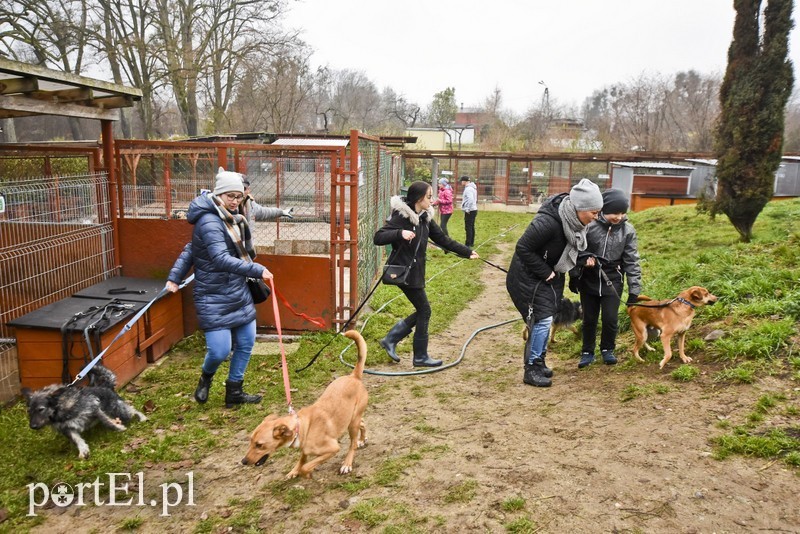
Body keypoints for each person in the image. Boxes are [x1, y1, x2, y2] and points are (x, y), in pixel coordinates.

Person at [166, 169, 272, 407]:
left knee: (246, 343)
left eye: (238, 196)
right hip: (213, 295)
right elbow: (220, 258)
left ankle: (234, 391)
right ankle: (206, 377)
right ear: (219, 194)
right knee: (219, 351)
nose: (235, 201)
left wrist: (174, 276)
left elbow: (191, 249)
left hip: (238, 291)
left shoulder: (230, 217)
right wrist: (256, 269)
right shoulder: (209, 221)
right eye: (230, 196)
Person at [505, 179, 603, 387]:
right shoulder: (547, 223)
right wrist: (544, 271)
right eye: (594, 212)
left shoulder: (575, 224)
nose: (596, 217)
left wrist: (582, 261)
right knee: (541, 320)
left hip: (552, 275)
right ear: (580, 208)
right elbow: (523, 248)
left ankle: (539, 362)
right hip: (528, 277)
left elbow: (570, 250)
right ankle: (531, 369)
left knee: (547, 317)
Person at [374, 181, 480, 367]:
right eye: (429, 196)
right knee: (425, 310)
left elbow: (443, 240)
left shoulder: (425, 218)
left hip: (416, 272)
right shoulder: (402, 216)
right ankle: (420, 356)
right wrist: (400, 233)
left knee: (423, 310)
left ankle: (391, 339)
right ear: (418, 198)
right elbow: (378, 237)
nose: (432, 200)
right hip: (403, 272)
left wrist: (467, 251)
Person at [570, 189, 642, 368]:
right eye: (614, 213)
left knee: (610, 319)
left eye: (622, 213)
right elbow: (575, 250)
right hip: (589, 279)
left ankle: (607, 349)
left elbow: (632, 261)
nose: (619, 217)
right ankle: (587, 352)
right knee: (589, 319)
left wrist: (634, 290)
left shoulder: (628, 231)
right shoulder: (589, 226)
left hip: (612, 280)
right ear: (603, 210)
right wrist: (576, 273)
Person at [460, 175, 478, 247]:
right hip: (474, 209)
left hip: (470, 210)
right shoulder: (472, 188)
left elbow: (470, 199)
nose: (461, 182)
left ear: (465, 181)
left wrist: (467, 208)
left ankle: (467, 244)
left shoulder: (468, 189)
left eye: (462, 181)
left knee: (468, 227)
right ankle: (471, 242)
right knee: (471, 226)